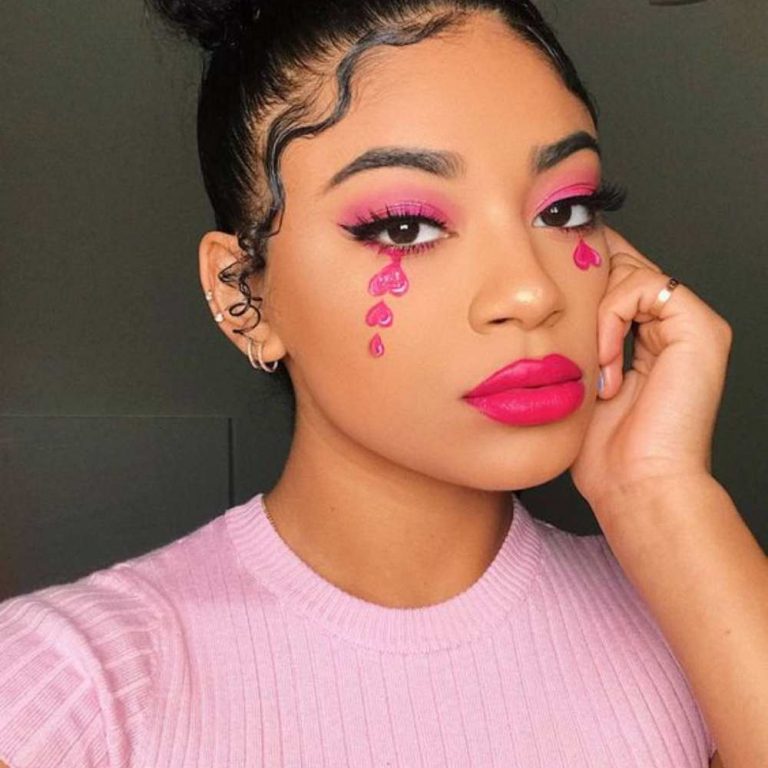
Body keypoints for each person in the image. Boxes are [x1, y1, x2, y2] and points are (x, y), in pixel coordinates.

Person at [0, 1, 765, 766]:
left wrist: (659, 493)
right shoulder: (73, 689)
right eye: (406, 227)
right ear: (243, 294)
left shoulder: (694, 612)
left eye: (566, 209)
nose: (531, 291)